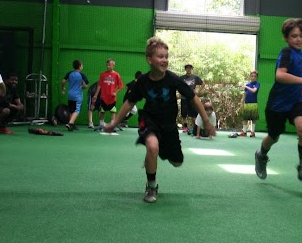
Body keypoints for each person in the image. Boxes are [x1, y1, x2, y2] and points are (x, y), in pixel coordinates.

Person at [103, 38, 215, 203]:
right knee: (152, 146)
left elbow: (194, 98)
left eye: (166, 57)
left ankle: (152, 155)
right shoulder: (142, 82)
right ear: (149, 60)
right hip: (149, 119)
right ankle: (151, 186)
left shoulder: (173, 79)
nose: (165, 60)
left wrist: (206, 120)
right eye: (160, 57)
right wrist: (114, 123)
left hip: (168, 124)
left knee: (177, 162)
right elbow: (129, 103)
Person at [254, 18, 302, 183]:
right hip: (278, 104)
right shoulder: (286, 52)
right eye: (294, 36)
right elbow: (280, 75)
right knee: (274, 137)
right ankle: (261, 155)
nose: (298, 39)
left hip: (295, 101)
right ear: (286, 38)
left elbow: (296, 66)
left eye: (301, 35)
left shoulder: (300, 54)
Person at [90, 58, 124, 130]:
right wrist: (96, 95)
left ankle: (112, 126)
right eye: (107, 65)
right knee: (102, 111)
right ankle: (101, 125)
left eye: (109, 65)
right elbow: (99, 85)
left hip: (112, 98)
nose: (107, 66)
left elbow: (121, 86)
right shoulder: (103, 74)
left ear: (113, 65)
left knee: (112, 111)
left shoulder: (116, 75)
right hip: (103, 97)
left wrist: (116, 93)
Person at [61, 60, 89, 131]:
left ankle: (72, 125)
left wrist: (63, 88)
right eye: (82, 65)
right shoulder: (82, 75)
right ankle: (70, 123)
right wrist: (82, 86)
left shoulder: (70, 73)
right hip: (77, 96)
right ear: (80, 67)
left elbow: (63, 81)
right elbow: (86, 85)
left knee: (71, 110)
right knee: (76, 110)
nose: (82, 66)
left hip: (70, 95)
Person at [179, 63, 203, 134]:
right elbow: (177, 86)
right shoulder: (181, 78)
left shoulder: (195, 77)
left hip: (192, 98)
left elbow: (203, 84)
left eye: (190, 68)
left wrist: (198, 91)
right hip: (184, 98)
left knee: (194, 114)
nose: (188, 69)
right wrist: (181, 92)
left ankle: (194, 128)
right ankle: (185, 128)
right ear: (185, 69)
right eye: (187, 68)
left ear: (192, 69)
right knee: (184, 115)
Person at [240, 70, 260, 137]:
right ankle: (244, 132)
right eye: (252, 76)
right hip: (247, 104)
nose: (253, 77)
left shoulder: (257, 84)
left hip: (254, 104)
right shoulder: (247, 85)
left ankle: (252, 132)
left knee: (253, 119)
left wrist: (246, 86)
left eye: (255, 76)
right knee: (245, 118)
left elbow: (254, 91)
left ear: (256, 77)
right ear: (250, 77)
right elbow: (245, 95)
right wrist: (242, 102)